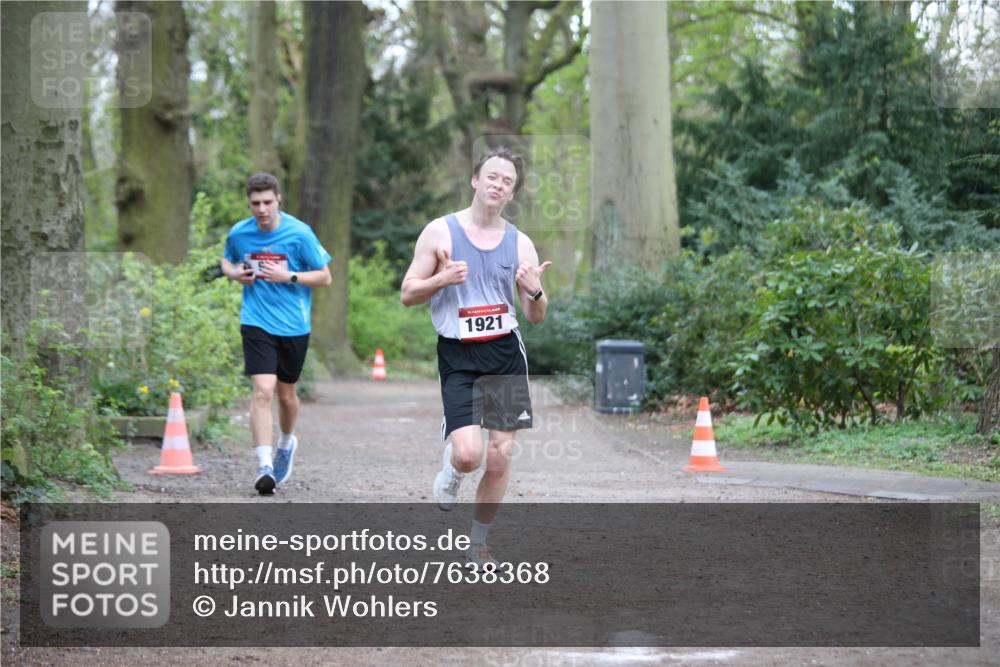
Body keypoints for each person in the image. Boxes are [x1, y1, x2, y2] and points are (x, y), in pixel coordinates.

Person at [400, 147, 551, 566]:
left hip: (504, 352)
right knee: (469, 455)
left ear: (512, 192)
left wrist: (535, 288)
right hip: (459, 354)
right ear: (475, 180)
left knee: (500, 454)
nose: (498, 185)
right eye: (492, 176)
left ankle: (478, 541)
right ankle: (451, 472)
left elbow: (536, 316)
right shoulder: (440, 233)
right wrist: (441, 279)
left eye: (507, 181)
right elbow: (408, 293)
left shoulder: (521, 244)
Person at [221, 173, 332, 495]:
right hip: (255, 320)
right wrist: (234, 274)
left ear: (278, 199)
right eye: (255, 203)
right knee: (262, 391)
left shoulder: (299, 234)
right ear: (249, 203)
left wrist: (289, 276)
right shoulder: (239, 233)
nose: (262, 209)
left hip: (294, 325)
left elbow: (325, 277)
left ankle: (286, 443)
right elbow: (227, 261)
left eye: (267, 202)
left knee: (287, 395)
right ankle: (264, 465)